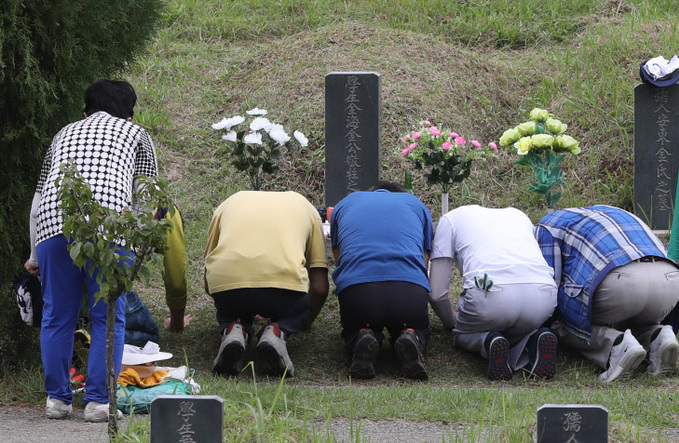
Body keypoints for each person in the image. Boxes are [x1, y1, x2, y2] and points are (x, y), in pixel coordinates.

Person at [24, 80, 158, 421]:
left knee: (56, 316)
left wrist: (34, 255)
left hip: (55, 226)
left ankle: (57, 401)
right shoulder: (136, 134)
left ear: (85, 112)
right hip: (111, 229)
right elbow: (147, 197)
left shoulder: (62, 134)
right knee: (108, 316)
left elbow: (38, 203)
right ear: (130, 115)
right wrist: (135, 240)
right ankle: (98, 402)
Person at [535, 205, 679, 383]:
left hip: (621, 280)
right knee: (632, 314)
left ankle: (616, 346)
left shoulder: (546, 226)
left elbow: (550, 286)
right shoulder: (615, 211)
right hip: (670, 279)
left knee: (560, 321)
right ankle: (660, 337)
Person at [205, 191, 329, 377]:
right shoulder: (307, 209)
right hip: (284, 290)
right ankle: (277, 331)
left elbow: (208, 279)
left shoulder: (229, 202)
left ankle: (234, 327)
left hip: (229, 288)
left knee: (232, 309)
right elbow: (319, 288)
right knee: (295, 307)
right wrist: (301, 321)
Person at [429, 205, 558, 381]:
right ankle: (535, 338)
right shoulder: (519, 215)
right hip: (542, 294)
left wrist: (452, 322)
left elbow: (437, 293)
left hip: (490, 295)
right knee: (522, 327)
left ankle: (488, 341)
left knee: (462, 335)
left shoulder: (449, 220)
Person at [330, 181, 433, 380]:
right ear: (400, 194)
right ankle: (411, 335)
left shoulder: (345, 203)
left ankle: (363, 335)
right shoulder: (416, 204)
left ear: (372, 191)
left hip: (358, 292)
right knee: (415, 326)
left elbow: (338, 260)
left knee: (357, 326)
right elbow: (424, 263)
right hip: (408, 290)